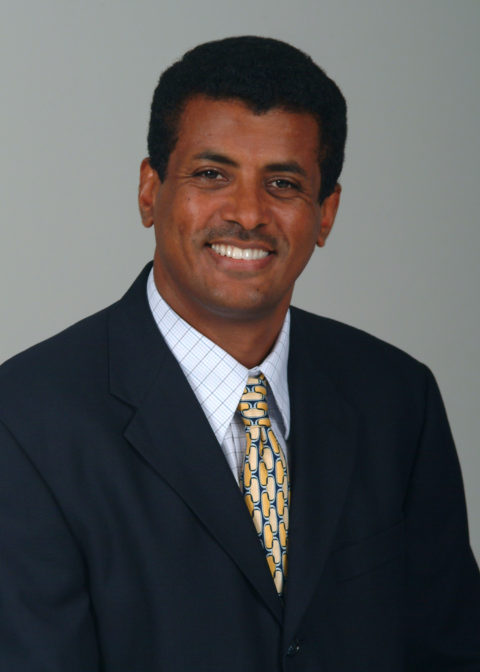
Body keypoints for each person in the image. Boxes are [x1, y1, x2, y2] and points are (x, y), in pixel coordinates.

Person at [0, 35, 479, 671]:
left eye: (283, 183)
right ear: (149, 190)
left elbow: (450, 649)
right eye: (211, 175)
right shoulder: (25, 421)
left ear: (326, 213)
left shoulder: (397, 397)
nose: (248, 214)